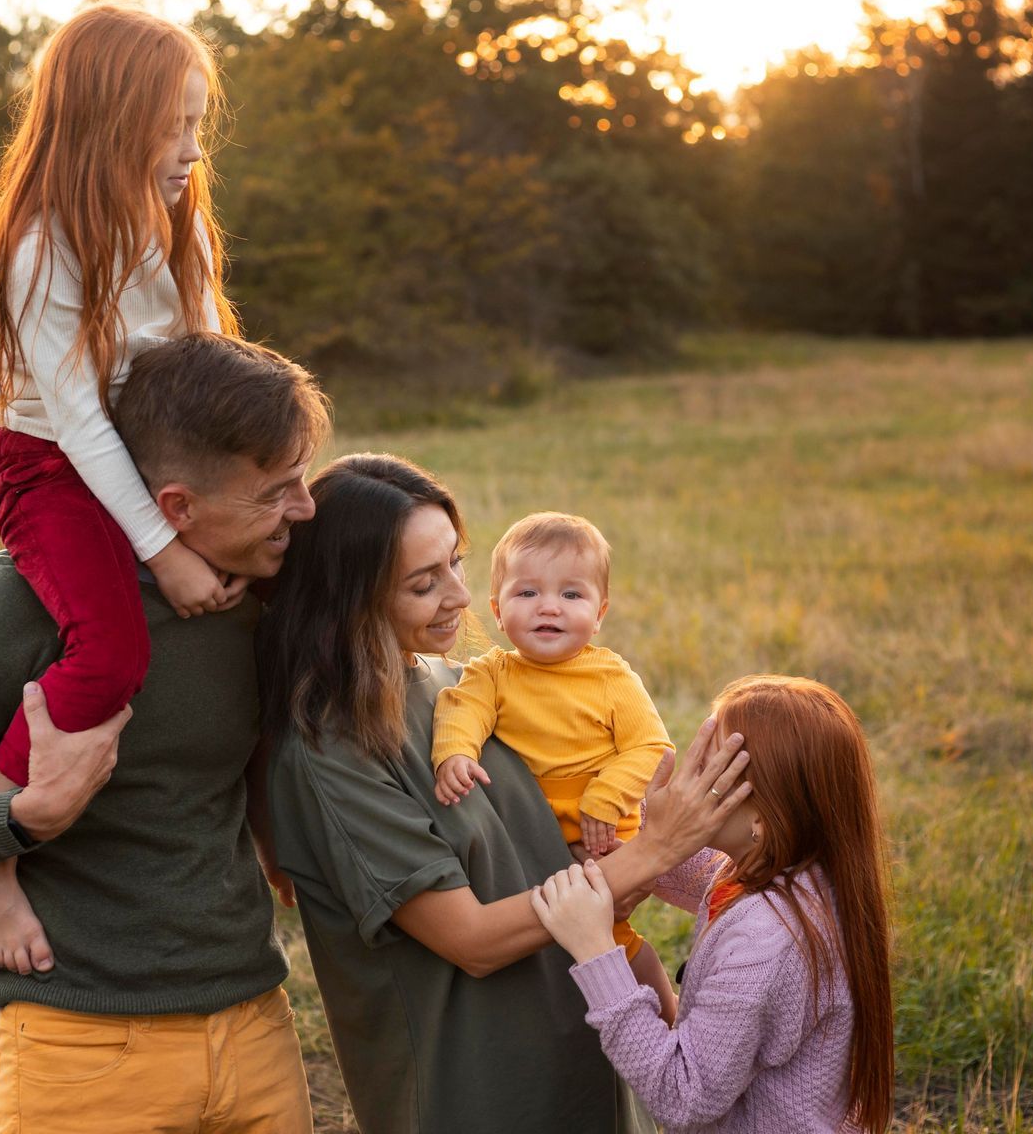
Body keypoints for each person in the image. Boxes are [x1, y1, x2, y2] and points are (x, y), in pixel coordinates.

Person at [0, 334, 329, 1134]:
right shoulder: (11, 608)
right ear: (176, 507)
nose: (302, 509)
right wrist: (20, 820)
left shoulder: (259, 595)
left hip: (257, 1029)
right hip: (81, 1051)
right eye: (277, 492)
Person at [256, 453, 754, 1134]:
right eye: (424, 584)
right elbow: (472, 939)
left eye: (455, 564)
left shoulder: (452, 683)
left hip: (587, 1038)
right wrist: (652, 852)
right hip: (484, 1089)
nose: (461, 597)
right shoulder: (330, 751)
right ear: (352, 597)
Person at [0, 1, 243, 975]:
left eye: (199, 126)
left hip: (160, 453)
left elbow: (209, 361)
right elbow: (76, 419)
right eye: (176, 127)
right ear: (113, 124)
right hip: (52, 467)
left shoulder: (177, 223)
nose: (192, 150)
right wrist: (166, 550)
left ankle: (287, 826)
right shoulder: (45, 243)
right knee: (113, 646)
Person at [530, 675, 895, 1133]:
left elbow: (683, 1097)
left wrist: (596, 950)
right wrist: (637, 816)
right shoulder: (786, 873)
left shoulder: (767, 943)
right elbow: (686, 868)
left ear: (761, 815)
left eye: (707, 771)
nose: (688, 784)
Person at [431, 511, 678, 1018]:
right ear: (498, 612)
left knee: (615, 936)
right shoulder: (493, 672)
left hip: (601, 833)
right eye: (528, 594)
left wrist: (606, 798)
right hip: (531, 835)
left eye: (571, 594)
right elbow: (463, 708)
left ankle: (670, 1018)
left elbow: (651, 748)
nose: (549, 608)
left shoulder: (610, 676)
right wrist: (454, 753)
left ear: (600, 611)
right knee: (554, 936)